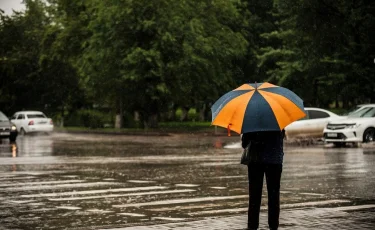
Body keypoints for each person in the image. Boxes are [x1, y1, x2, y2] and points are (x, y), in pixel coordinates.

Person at [241, 130, 285, 230]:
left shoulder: (251, 123)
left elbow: (244, 143)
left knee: (254, 197)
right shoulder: (277, 122)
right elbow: (281, 138)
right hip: (274, 161)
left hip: (256, 161)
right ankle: (273, 226)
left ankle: (252, 226)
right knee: (274, 196)